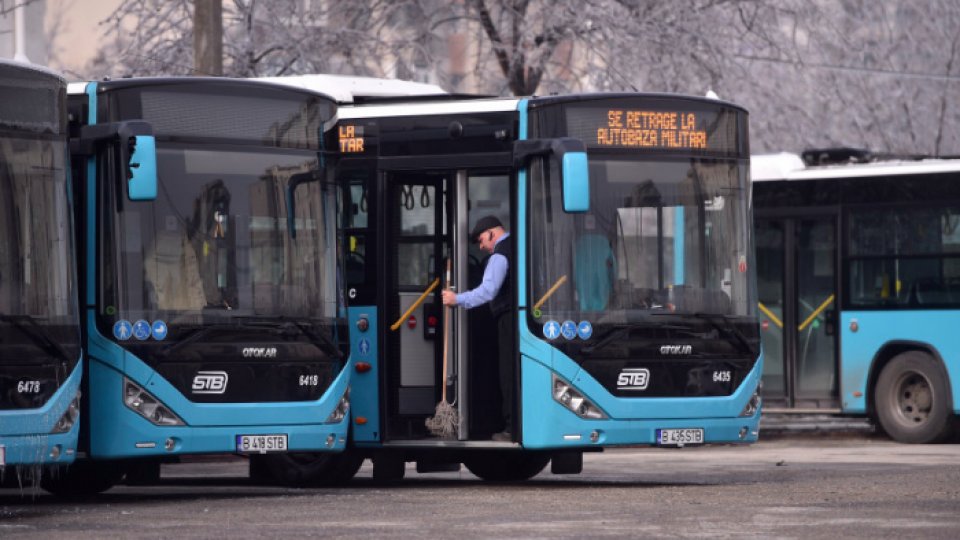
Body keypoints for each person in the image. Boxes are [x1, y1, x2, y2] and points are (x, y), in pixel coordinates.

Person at [442, 215, 513, 442]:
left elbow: (487, 291)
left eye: (482, 240)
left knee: (507, 374)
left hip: (508, 320)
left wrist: (457, 299)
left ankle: (512, 427)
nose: (481, 246)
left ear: (492, 233)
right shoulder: (520, 246)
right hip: (519, 319)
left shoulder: (499, 256)